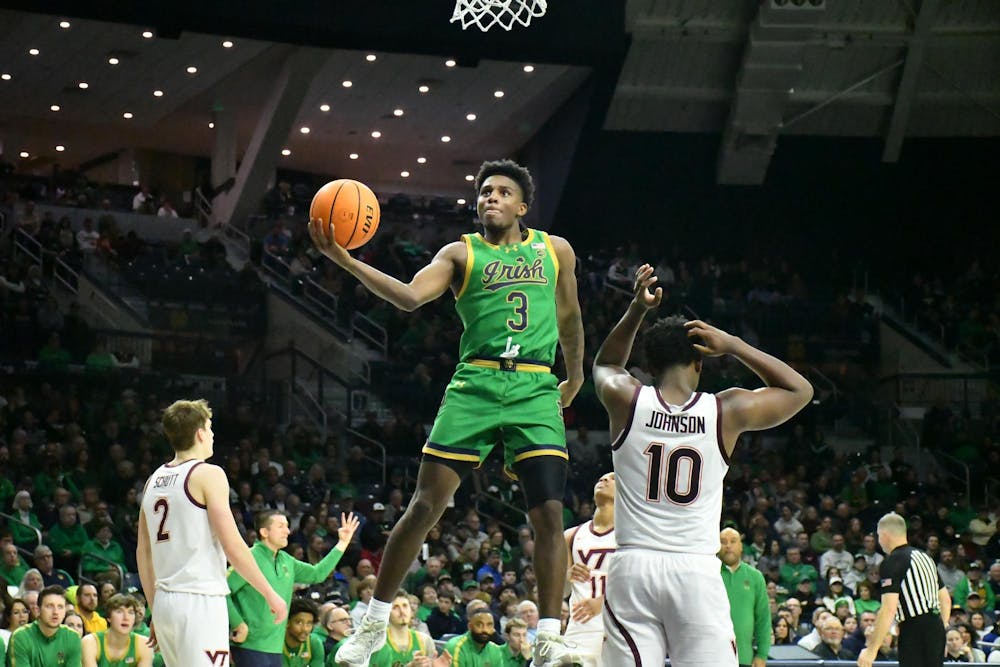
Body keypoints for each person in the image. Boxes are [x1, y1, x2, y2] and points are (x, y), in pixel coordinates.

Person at [316, 160, 585, 667]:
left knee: (550, 512)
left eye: (503, 192)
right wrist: (347, 261)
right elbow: (411, 296)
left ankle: (549, 636)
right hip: (476, 382)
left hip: (534, 384)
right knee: (425, 505)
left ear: (522, 206)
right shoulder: (460, 253)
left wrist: (574, 377)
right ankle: (372, 624)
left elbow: (570, 318)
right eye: (485, 192)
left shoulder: (556, 250)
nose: (491, 198)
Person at [592, 264, 813, 667]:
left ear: (652, 366)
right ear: (699, 363)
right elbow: (800, 390)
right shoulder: (724, 410)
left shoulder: (628, 400)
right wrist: (735, 345)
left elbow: (605, 365)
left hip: (633, 566)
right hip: (695, 569)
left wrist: (637, 311)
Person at [137, 399, 287, 667]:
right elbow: (233, 545)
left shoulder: (153, 480)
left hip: (164, 601)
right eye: (210, 427)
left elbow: (143, 552)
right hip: (199, 600)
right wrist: (269, 592)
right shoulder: (208, 474)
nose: (213, 434)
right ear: (200, 433)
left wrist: (154, 610)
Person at [228, 509, 359, 666]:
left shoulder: (286, 560)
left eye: (288, 526)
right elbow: (222, 591)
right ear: (264, 532)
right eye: (281, 526)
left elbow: (318, 573)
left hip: (276, 648)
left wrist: (342, 543)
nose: (288, 531)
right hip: (249, 646)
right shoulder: (247, 557)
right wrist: (238, 624)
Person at [857, 512, 952, 667]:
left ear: (884, 534)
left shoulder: (892, 561)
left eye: (879, 537)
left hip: (914, 629)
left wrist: (871, 650)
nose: (879, 542)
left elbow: (888, 609)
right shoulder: (924, 557)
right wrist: (941, 629)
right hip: (936, 626)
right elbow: (945, 600)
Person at [563, 472, 616, 667]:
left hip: (618, 624)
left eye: (613, 478)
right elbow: (562, 592)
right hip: (580, 627)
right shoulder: (571, 535)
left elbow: (641, 584)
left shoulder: (633, 534)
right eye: (601, 478)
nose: (603, 480)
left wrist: (604, 603)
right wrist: (567, 576)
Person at [719, 528, 771, 667]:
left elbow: (763, 619)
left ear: (741, 546)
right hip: (712, 657)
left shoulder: (755, 577)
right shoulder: (709, 575)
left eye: (733, 541)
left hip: (744, 658)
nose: (728, 545)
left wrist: (762, 655)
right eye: (723, 542)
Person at [8, 585, 81, 666]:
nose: (55, 612)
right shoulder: (21, 636)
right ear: (38, 610)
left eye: (60, 607)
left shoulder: (73, 637)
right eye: (49, 606)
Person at [81, 594, 154, 667]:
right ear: (109, 617)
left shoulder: (144, 644)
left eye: (130, 612)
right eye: (119, 611)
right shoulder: (90, 642)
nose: (126, 617)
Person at [368, 591, 439, 667]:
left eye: (405, 606)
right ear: (386, 612)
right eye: (395, 607)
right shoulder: (377, 643)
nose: (402, 611)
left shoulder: (425, 641)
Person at [442, 607, 507, 667]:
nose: (485, 630)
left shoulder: (496, 650)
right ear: (470, 626)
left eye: (489, 625)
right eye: (479, 625)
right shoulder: (455, 647)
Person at [283, 598, 324, 667]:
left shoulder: (314, 643)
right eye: (299, 622)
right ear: (287, 622)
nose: (304, 629)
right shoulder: (276, 642)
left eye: (309, 623)